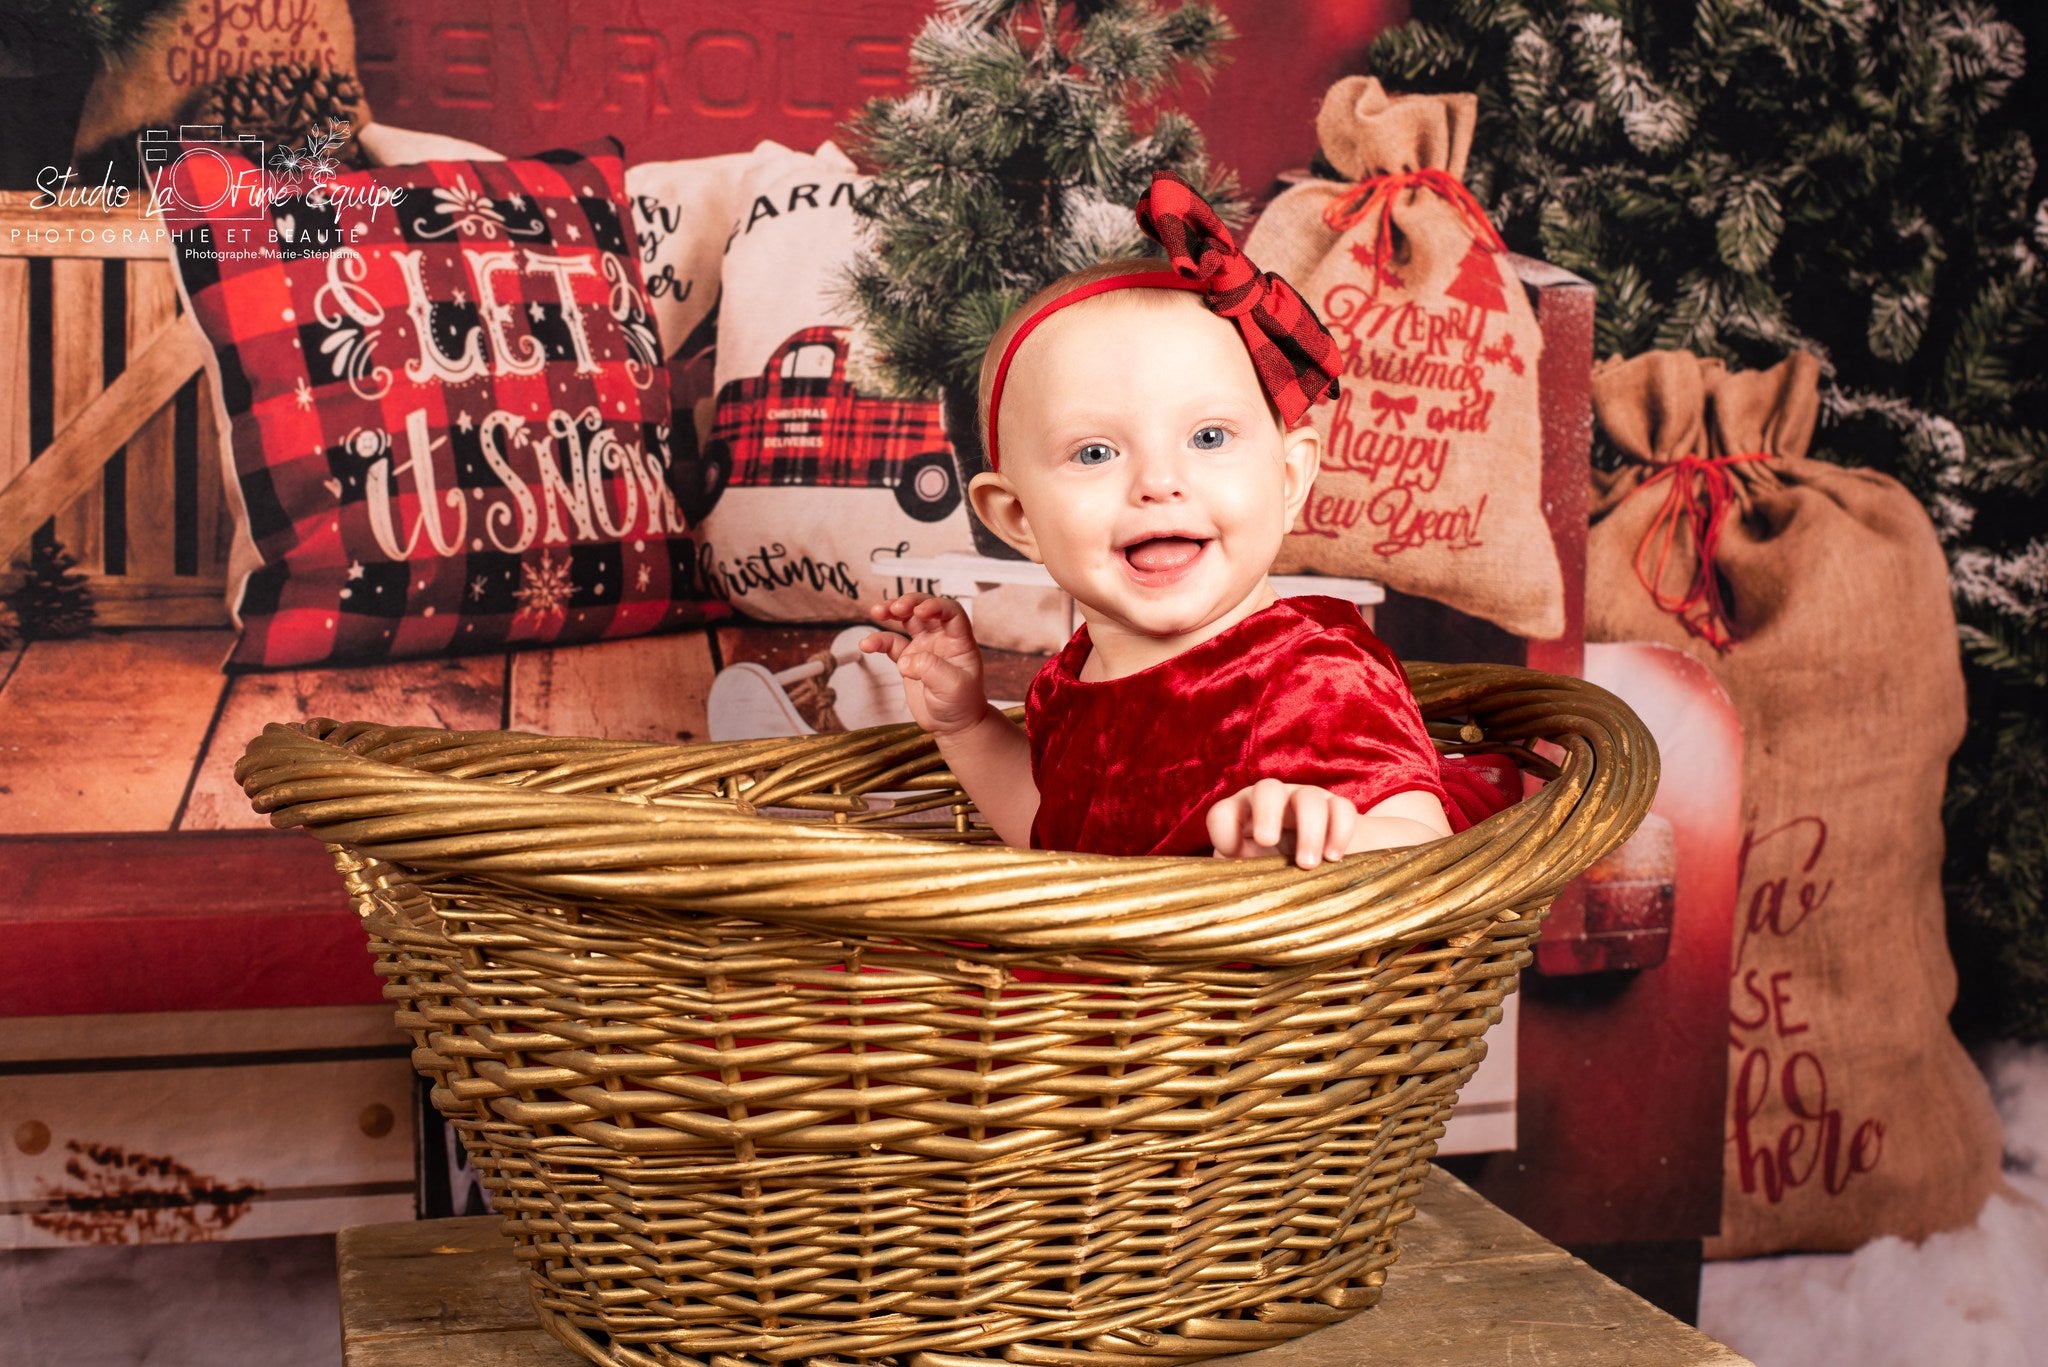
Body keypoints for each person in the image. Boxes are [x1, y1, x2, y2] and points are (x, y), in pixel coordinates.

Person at [862, 170, 1458, 868]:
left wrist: (1328, 841)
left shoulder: (1312, 676)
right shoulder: (1069, 682)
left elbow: (1427, 848)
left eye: (1208, 438)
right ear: (1017, 516)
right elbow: (1055, 840)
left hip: (1259, 979)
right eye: (1095, 451)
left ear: (1289, 478)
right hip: (1101, 976)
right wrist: (965, 725)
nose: (1158, 483)